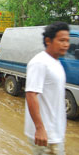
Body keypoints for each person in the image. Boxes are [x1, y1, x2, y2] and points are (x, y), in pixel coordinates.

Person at [25, 22, 70, 155]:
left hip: (55, 132)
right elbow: (31, 94)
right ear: (48, 41)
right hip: (44, 136)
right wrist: (39, 128)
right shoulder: (39, 62)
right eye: (61, 40)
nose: (66, 44)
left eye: (67, 40)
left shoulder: (56, 62)